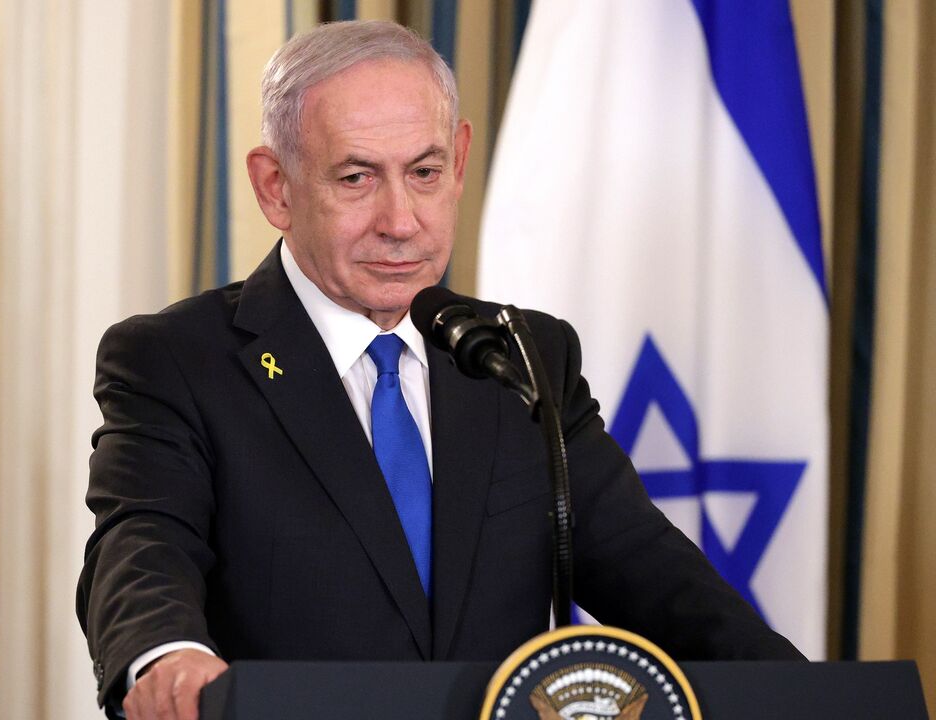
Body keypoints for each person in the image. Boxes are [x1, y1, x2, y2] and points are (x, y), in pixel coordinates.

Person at [77, 19, 802, 720]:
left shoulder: (522, 357)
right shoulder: (177, 361)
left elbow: (656, 576)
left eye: (424, 172)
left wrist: (806, 699)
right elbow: (141, 541)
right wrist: (165, 655)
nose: (401, 219)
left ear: (458, 162)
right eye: (357, 177)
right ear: (276, 187)